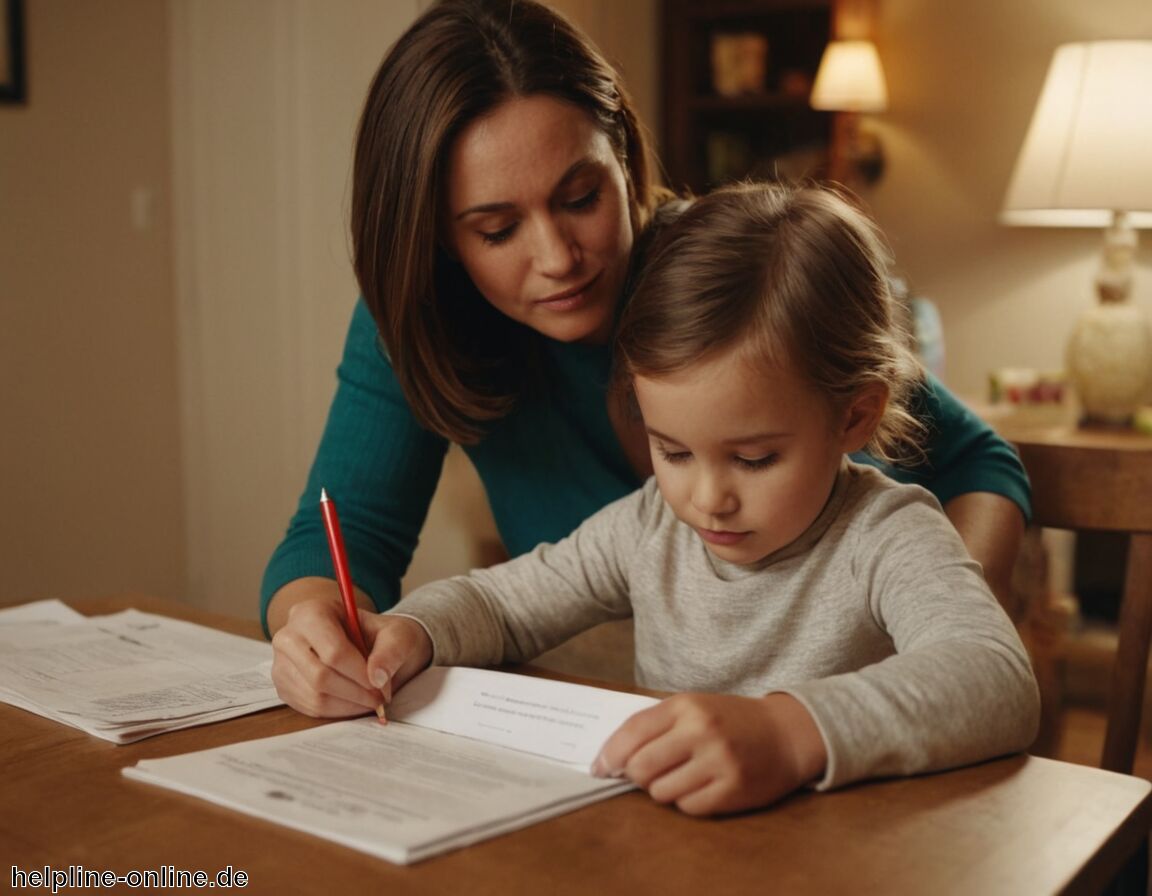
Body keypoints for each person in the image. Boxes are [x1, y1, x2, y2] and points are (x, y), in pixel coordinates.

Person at [265, 0, 1030, 715]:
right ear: (440, 239)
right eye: (497, 229)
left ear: (624, 159)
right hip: (646, 736)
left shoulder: (731, 279)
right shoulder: (429, 325)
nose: (558, 257)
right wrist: (321, 636)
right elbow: (369, 548)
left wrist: (925, 643)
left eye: (579, 198)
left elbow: (975, 465)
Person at [284, 181, 1039, 817]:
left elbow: (995, 676)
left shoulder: (887, 533)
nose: (707, 498)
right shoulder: (650, 525)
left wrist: (786, 733)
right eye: (671, 450)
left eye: (754, 457)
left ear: (855, 416)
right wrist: (414, 631)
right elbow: (506, 605)